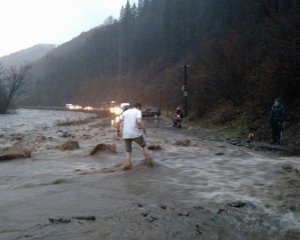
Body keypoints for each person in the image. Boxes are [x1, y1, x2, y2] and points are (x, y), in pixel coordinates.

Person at [116, 102, 153, 170]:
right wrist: (144, 131)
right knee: (144, 146)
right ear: (139, 107)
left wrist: (118, 132)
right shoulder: (138, 112)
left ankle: (127, 165)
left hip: (126, 134)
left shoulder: (125, 112)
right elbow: (139, 121)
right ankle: (149, 162)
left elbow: (118, 123)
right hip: (135, 133)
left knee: (128, 150)